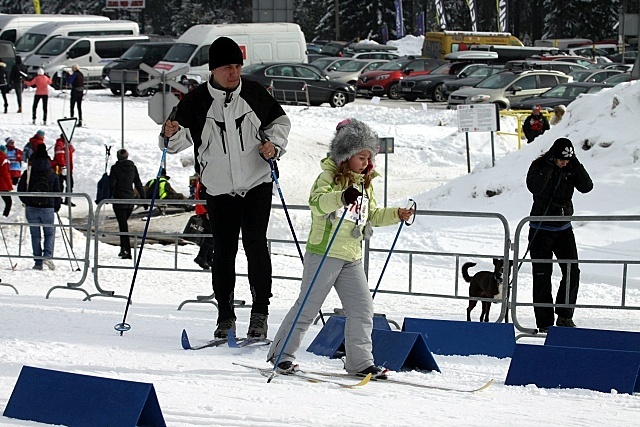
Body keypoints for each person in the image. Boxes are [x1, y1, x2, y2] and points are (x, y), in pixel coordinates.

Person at [161, 36, 291, 340]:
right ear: (213, 71)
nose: (234, 73)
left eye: (237, 66)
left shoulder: (255, 94)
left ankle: (260, 313)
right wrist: (168, 133)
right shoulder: (195, 101)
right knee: (223, 252)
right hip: (219, 190)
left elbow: (281, 125)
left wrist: (274, 147)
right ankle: (225, 316)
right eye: (227, 68)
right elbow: (176, 142)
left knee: (256, 246)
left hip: (256, 184)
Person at [266, 118, 414, 378]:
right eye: (361, 157)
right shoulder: (328, 177)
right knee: (308, 308)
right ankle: (281, 356)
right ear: (346, 156)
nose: (367, 163)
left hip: (351, 256)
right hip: (324, 252)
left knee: (362, 310)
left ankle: (359, 362)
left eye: (369, 158)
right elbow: (317, 204)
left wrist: (397, 214)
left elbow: (373, 216)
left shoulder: (366, 183)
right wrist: (341, 197)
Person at [526, 137, 593, 333]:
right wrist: (549, 167)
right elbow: (535, 188)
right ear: (553, 156)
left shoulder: (571, 167)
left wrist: (576, 164)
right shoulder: (539, 165)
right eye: (561, 159)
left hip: (563, 228)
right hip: (541, 228)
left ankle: (564, 315)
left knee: (572, 270)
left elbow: (587, 187)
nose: (564, 163)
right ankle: (544, 321)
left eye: (567, 159)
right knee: (541, 275)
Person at [17, 143, 61, 271]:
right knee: (49, 233)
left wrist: (27, 200)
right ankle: (47, 255)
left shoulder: (29, 172)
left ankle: (37, 262)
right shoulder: (52, 173)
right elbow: (58, 191)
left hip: (31, 207)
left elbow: (20, 189)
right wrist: (56, 206)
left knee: (35, 235)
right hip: (48, 207)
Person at [109, 148, 145, 260]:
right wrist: (144, 199)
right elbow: (138, 184)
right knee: (123, 224)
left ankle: (127, 251)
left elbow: (112, 184)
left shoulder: (115, 168)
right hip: (130, 200)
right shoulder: (132, 168)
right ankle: (123, 248)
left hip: (119, 200)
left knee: (123, 225)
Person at [192, 175, 214, 270]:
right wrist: (208, 211)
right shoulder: (204, 183)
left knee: (209, 234)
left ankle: (208, 257)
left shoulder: (201, 182)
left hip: (203, 211)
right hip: (205, 212)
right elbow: (203, 197)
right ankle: (202, 256)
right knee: (212, 234)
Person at [51, 134, 75, 206]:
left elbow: (72, 150)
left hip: (68, 168)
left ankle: (68, 199)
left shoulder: (67, 144)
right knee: (60, 184)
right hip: (61, 168)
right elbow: (59, 156)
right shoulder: (60, 144)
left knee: (70, 184)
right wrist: (63, 166)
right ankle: (59, 199)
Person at [0, 145, 13, 217]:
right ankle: (5, 217)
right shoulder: (4, 160)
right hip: (2, 184)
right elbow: (6, 174)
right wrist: (10, 186)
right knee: (8, 202)